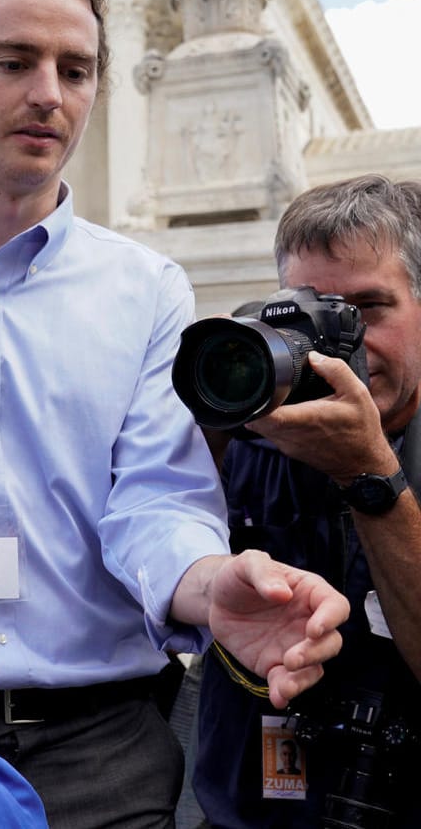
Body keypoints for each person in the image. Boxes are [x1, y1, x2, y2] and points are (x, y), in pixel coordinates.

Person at [0, 0, 350, 828]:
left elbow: (154, 497)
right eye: (15, 61)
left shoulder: (147, 288)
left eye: (76, 70)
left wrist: (209, 580)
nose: (49, 93)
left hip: (96, 750)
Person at [193, 175, 421, 828]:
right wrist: (211, 408)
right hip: (246, 803)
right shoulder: (251, 433)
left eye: (365, 312)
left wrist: (368, 470)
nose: (336, 345)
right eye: (312, 313)